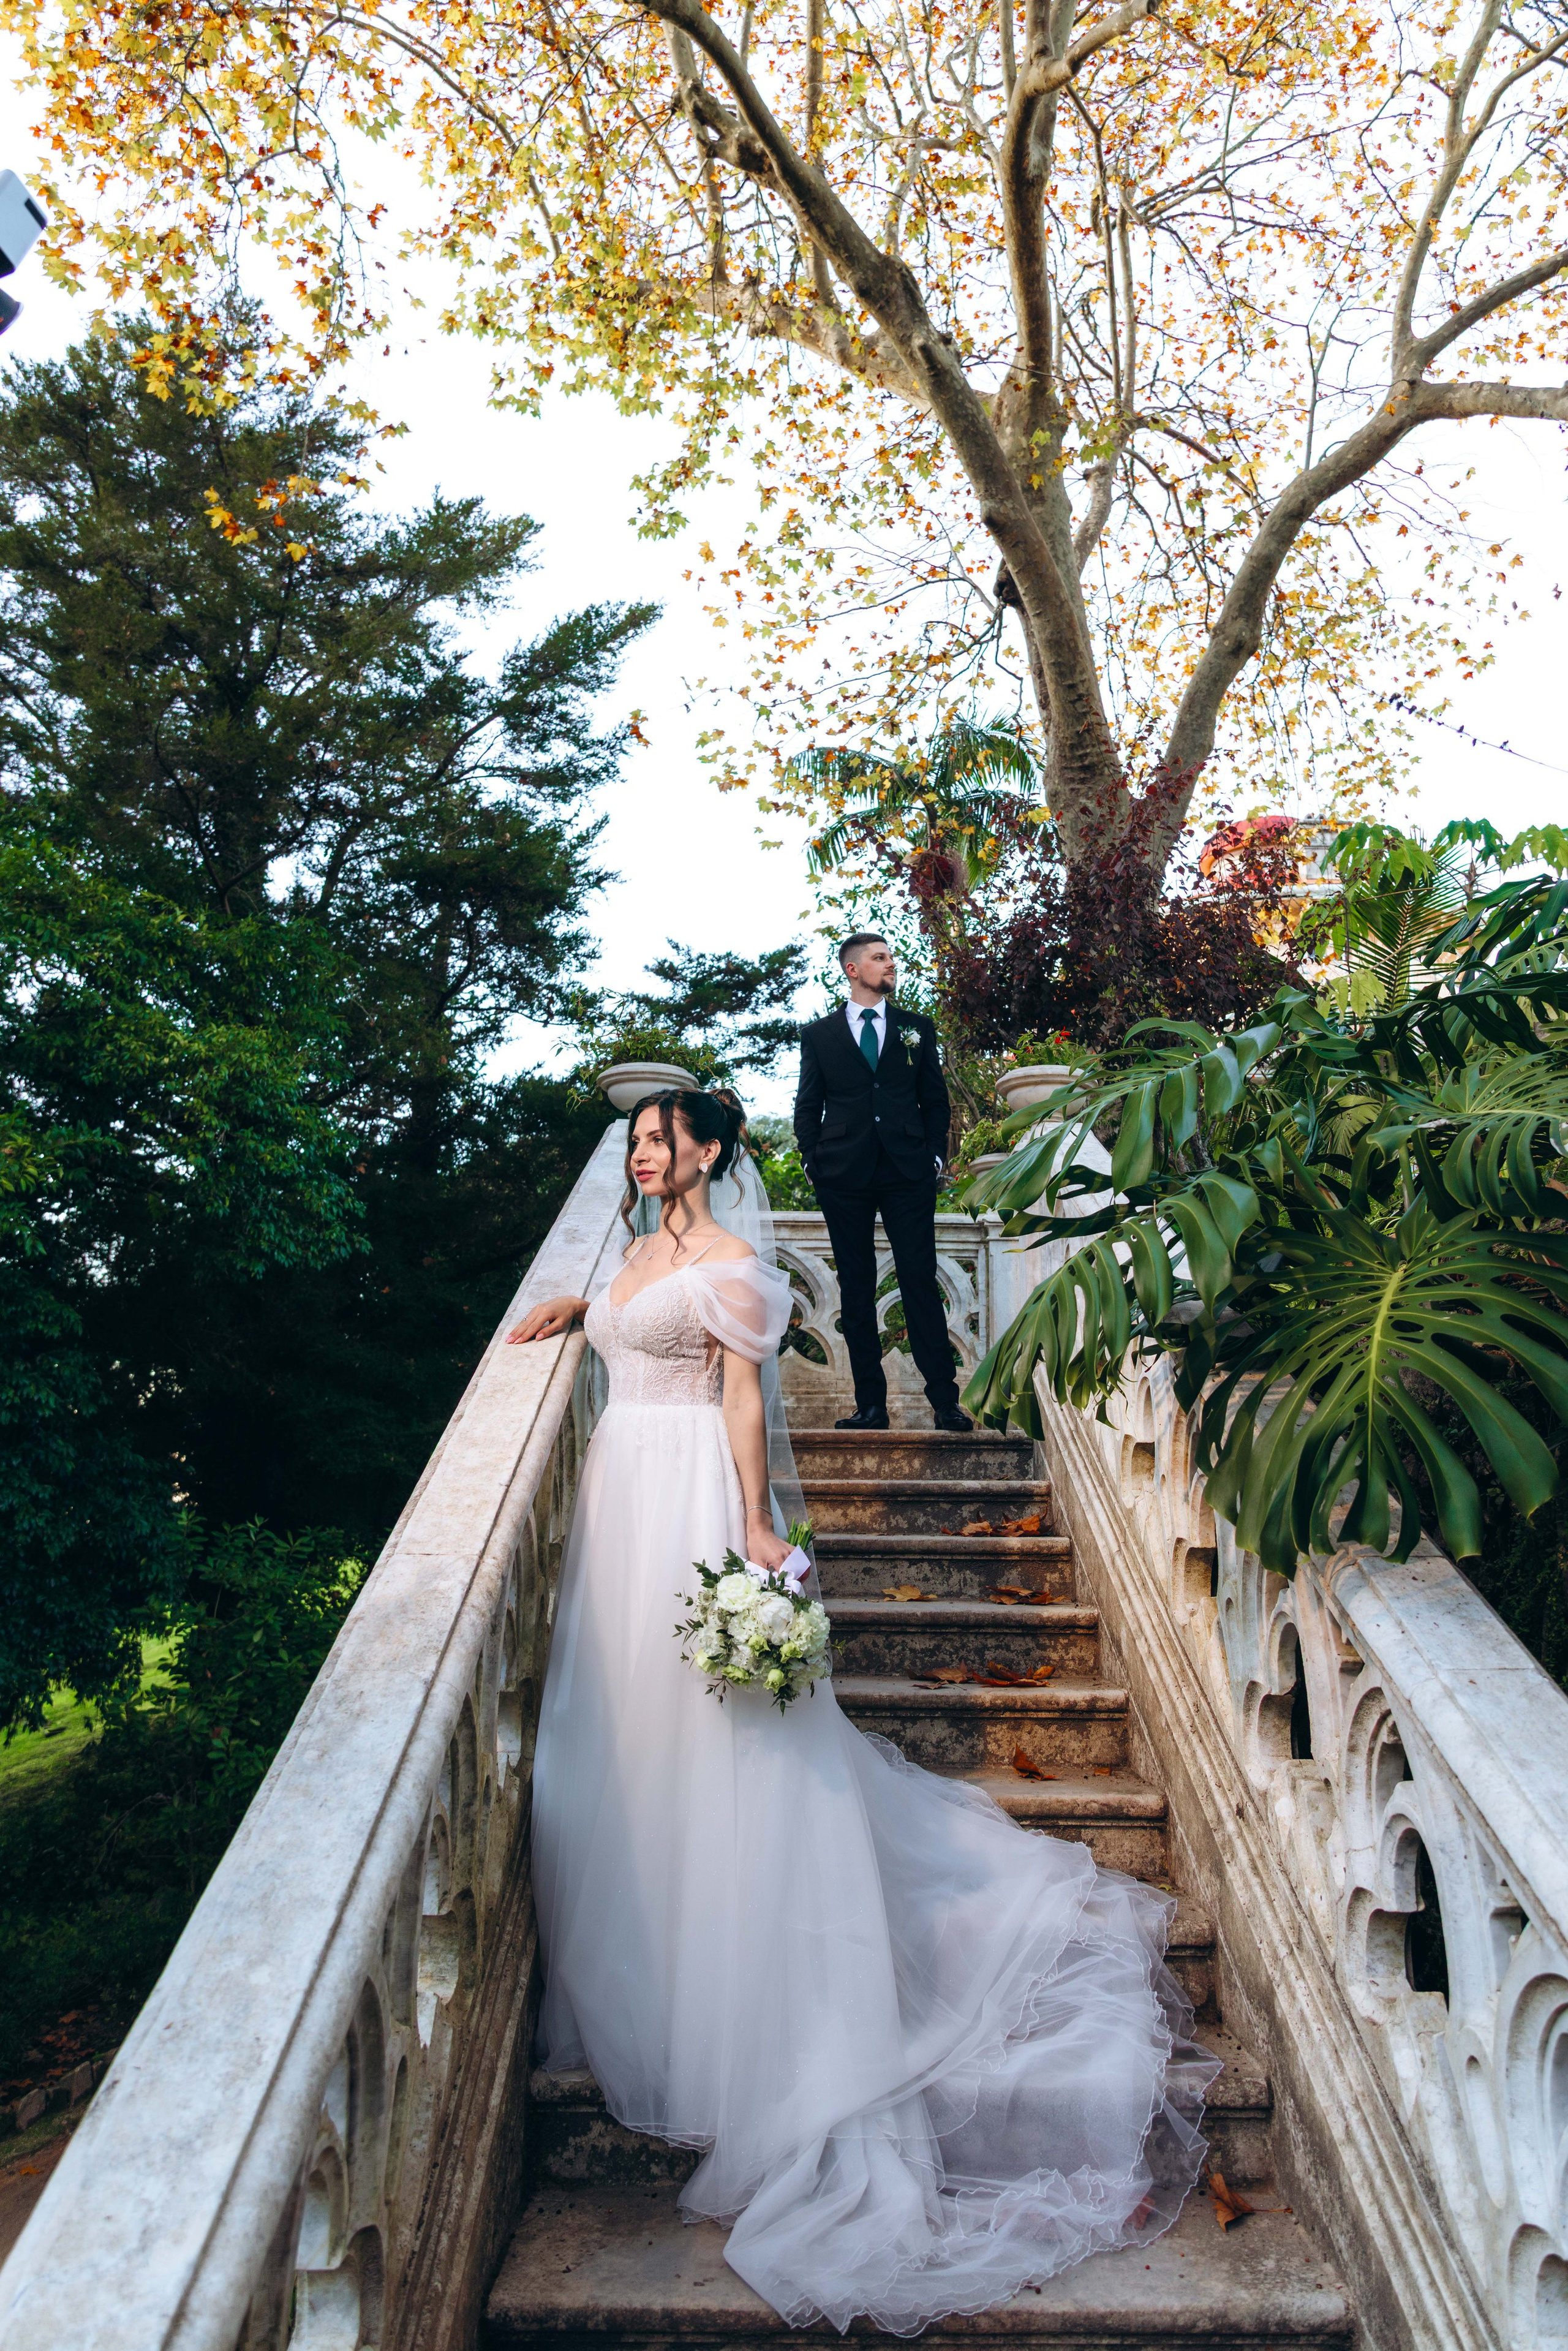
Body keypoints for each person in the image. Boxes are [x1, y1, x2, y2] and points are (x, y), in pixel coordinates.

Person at [508, 1087, 1216, 2334]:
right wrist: (585, 1310)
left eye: (659, 1141)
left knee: (718, 1736)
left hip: (684, 1501)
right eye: (633, 1144)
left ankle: (746, 1983)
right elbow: (629, 1331)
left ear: (710, 1151)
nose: (642, 1156)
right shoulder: (625, 1254)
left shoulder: (733, 1260)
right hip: (615, 1501)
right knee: (617, 1740)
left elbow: (739, 1397)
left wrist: (756, 1521)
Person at [792, 932, 970, 1432]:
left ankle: (945, 1402)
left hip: (907, 1170)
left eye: (890, 957)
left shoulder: (917, 1028)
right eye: (880, 957)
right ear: (853, 970)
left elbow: (936, 1100)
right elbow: (808, 1105)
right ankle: (871, 1405)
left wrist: (935, 1158)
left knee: (919, 1280)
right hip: (842, 1174)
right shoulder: (820, 1035)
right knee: (856, 1288)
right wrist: (812, 1161)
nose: (891, 964)